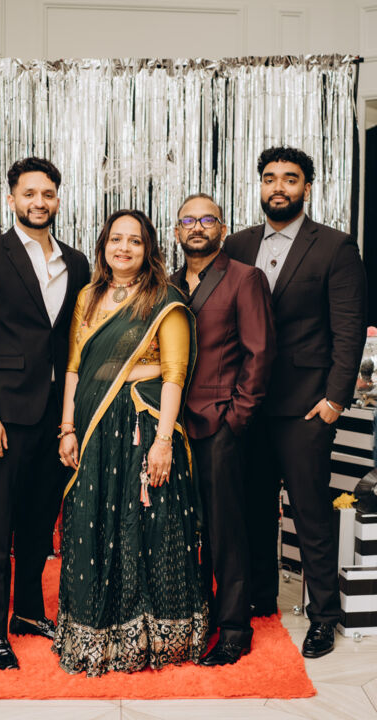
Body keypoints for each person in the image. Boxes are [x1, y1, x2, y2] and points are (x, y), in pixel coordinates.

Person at [52, 209, 208, 676]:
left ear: (148, 249)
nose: (124, 248)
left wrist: (163, 442)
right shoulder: (88, 296)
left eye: (135, 241)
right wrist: (67, 428)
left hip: (143, 425)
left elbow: (176, 374)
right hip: (93, 425)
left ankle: (155, 635)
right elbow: (75, 367)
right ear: (103, 246)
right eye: (116, 239)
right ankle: (94, 633)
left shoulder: (165, 299)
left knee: (147, 528)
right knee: (91, 521)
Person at [225, 146, 367, 658]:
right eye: (270, 178)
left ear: (307, 187)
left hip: (306, 406)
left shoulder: (334, 246)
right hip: (247, 403)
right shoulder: (237, 244)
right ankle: (261, 597)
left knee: (310, 512)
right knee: (253, 507)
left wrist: (334, 401)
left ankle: (324, 615)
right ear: (260, 185)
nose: (278, 187)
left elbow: (348, 330)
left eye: (290, 178)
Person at [0, 157, 90, 670]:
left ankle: (28, 612)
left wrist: (72, 419)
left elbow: (74, 338)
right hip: (5, 417)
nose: (39, 202)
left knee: (38, 523)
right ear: (11, 199)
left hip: (57, 418)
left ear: (57, 199)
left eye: (48, 193)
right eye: (29, 193)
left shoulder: (76, 262)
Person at [171, 194, 276, 666]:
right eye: (188, 220)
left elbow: (260, 353)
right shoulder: (168, 284)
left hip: (220, 425)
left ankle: (234, 629)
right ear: (177, 231)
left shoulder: (244, 278)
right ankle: (202, 616)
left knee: (227, 530)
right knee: (186, 528)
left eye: (207, 219)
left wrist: (237, 419)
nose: (197, 227)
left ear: (222, 228)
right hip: (171, 427)